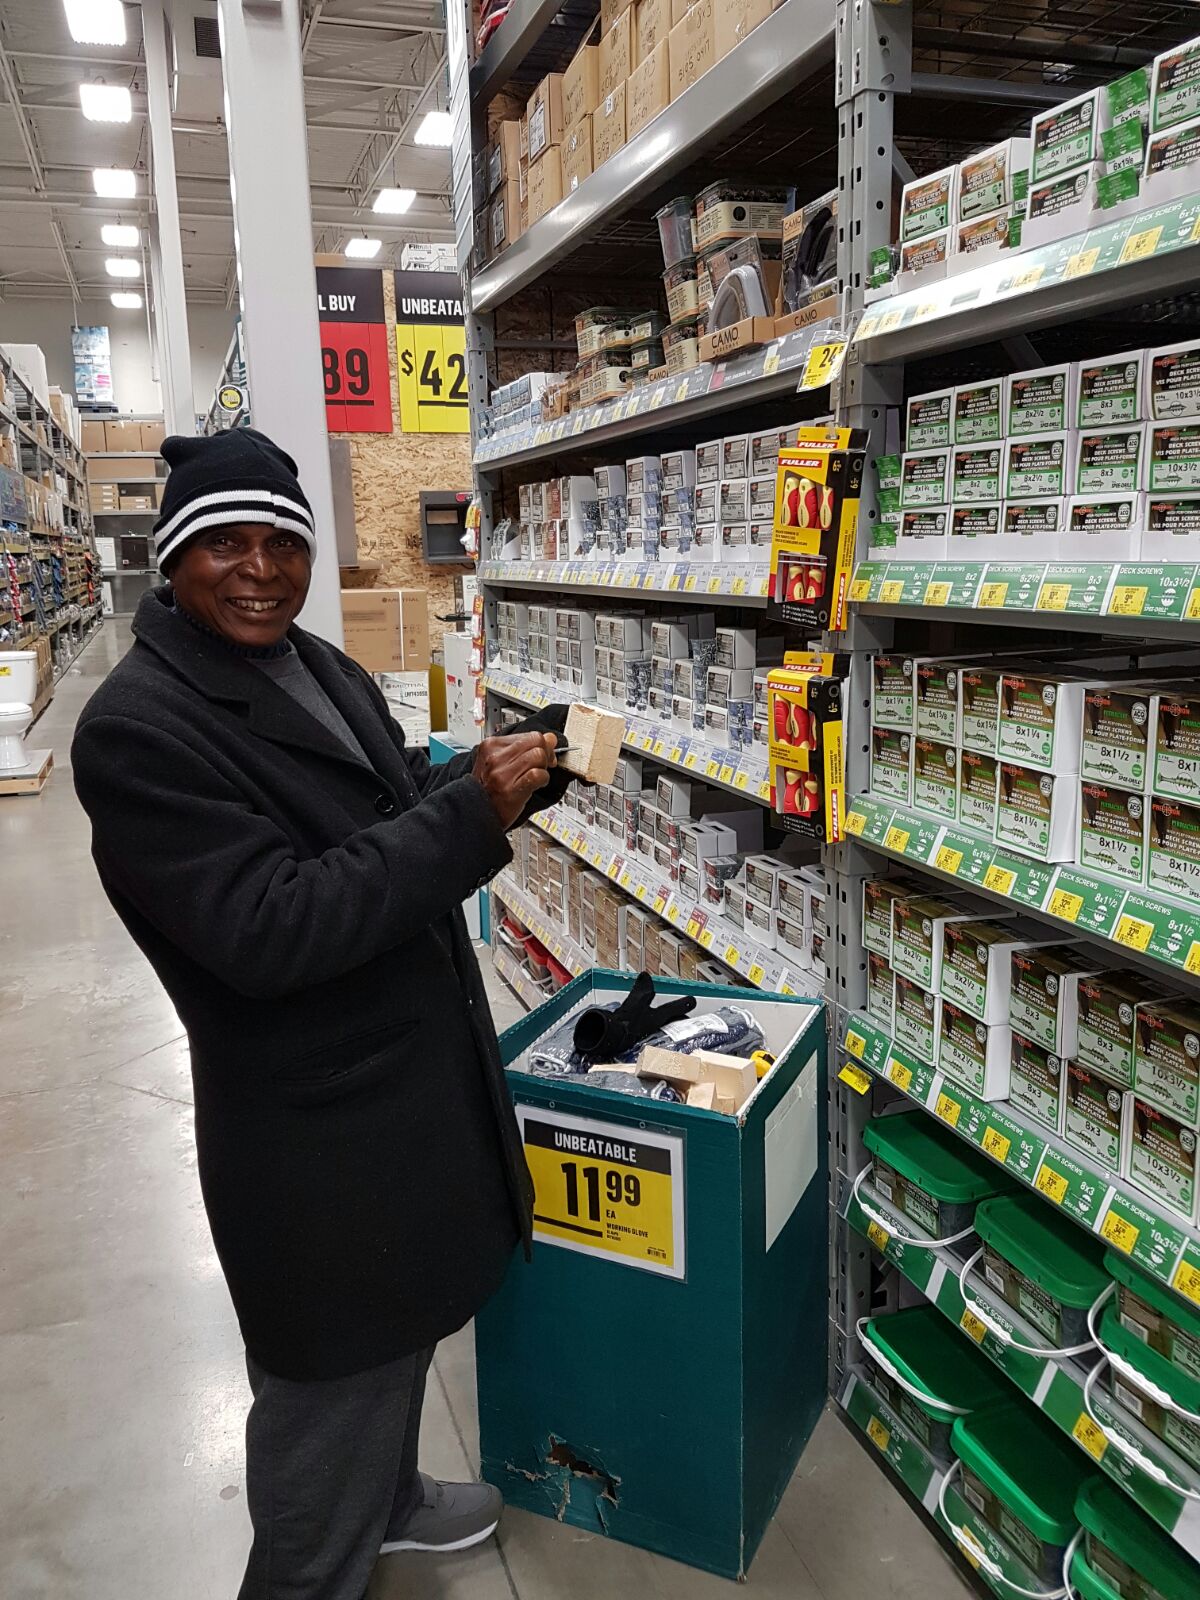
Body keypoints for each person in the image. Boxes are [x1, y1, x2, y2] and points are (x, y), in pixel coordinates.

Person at [72, 429, 576, 1600]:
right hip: (313, 1131)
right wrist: (466, 820)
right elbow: (271, 925)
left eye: (284, 542)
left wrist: (504, 775)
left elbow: (383, 808)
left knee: (399, 1334)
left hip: (400, 1085)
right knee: (328, 1386)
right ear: (174, 559)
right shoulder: (139, 729)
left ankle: (391, 1504)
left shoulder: (313, 663)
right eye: (226, 544)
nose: (261, 569)